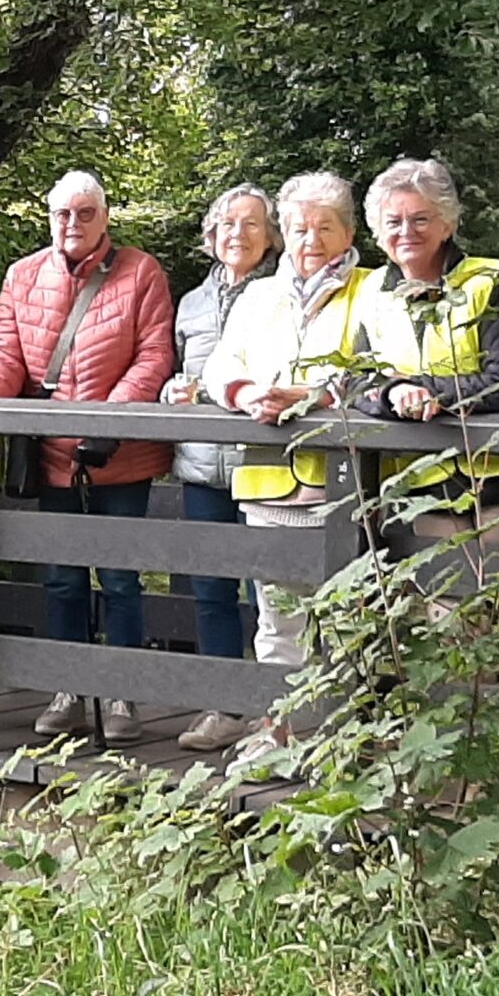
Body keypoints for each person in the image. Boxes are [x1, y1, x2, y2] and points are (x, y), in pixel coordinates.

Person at [0, 170, 176, 747]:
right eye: (63, 213)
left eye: (86, 213)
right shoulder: (22, 275)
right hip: (51, 450)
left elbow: (155, 354)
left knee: (119, 576)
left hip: (121, 453)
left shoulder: (141, 272)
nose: (73, 224)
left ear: (105, 217)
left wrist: (110, 420)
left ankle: (120, 690)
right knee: (60, 579)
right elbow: (10, 353)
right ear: (48, 216)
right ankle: (66, 689)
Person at [350, 157, 499, 652]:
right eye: (393, 222)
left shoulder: (489, 282)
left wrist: (425, 391)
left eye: (420, 218)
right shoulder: (371, 293)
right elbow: (356, 380)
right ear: (376, 231)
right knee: (447, 617)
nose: (405, 231)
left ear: (447, 224)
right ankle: (469, 728)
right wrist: (393, 393)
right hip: (434, 478)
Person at [201, 172, 364, 766]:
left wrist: (315, 397)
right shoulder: (258, 296)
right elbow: (222, 364)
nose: (311, 240)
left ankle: (344, 746)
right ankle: (281, 737)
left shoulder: (371, 291)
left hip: (342, 493)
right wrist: (245, 393)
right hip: (267, 486)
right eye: (299, 228)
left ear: (348, 232)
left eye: (325, 227)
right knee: (277, 622)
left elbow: (376, 367)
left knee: (346, 622)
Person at [164, 183, 278, 752]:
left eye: (252, 224)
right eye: (228, 224)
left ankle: (271, 710)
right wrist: (172, 390)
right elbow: (171, 369)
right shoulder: (190, 303)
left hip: (264, 463)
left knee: (269, 591)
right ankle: (223, 706)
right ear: (211, 236)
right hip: (201, 466)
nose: (238, 234)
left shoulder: (284, 294)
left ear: (271, 236)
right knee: (211, 588)